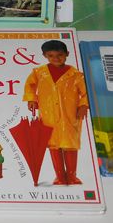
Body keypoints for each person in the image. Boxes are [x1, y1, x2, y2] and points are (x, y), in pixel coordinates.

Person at [22, 40, 89, 185]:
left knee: (70, 144)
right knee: (53, 144)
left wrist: (84, 105)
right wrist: (31, 99)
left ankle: (72, 176)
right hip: (48, 114)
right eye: (51, 56)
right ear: (45, 56)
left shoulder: (76, 75)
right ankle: (59, 176)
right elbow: (30, 85)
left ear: (67, 54)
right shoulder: (39, 72)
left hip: (70, 114)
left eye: (60, 55)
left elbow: (86, 92)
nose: (56, 58)